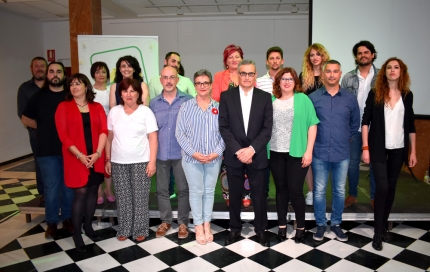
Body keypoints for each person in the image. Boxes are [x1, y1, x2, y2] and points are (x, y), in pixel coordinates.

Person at [361, 57, 417, 251]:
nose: (392, 70)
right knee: (382, 187)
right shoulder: (375, 93)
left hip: (399, 148)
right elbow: (365, 121)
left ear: (401, 71)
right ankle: (377, 233)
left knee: (391, 187)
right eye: (389, 67)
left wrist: (413, 152)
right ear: (384, 72)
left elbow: (410, 125)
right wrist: (365, 148)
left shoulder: (407, 95)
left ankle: (383, 225)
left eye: (396, 67)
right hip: (377, 147)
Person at [219, 60, 273, 247]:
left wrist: (251, 149)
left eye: (250, 74)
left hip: (256, 154)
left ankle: (261, 230)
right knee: (234, 195)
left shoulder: (265, 97)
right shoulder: (226, 96)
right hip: (234, 154)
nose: (247, 77)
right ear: (238, 75)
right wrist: (239, 150)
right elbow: (224, 127)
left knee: (259, 196)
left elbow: (267, 129)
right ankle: (234, 229)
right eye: (243, 73)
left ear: (255, 75)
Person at [55, 73, 107, 252]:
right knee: (81, 193)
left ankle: (88, 226)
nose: (74, 87)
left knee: (93, 190)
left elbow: (103, 130)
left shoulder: (97, 106)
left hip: (95, 156)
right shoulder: (64, 107)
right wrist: (80, 156)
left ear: (86, 86)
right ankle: (77, 234)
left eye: (78, 84)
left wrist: (98, 153)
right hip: (75, 157)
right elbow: (64, 136)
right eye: (71, 84)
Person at [21, 61, 74, 238]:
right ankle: (51, 222)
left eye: (59, 71)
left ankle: (67, 218)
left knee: (68, 186)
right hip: (46, 151)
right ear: (48, 75)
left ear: (64, 75)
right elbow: (26, 118)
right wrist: (42, 127)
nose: (55, 74)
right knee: (51, 188)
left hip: (69, 150)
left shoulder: (70, 96)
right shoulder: (38, 96)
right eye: (51, 71)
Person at [309, 60, 360, 242]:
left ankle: (336, 224)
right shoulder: (313, 98)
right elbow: (309, 124)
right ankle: (321, 224)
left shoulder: (350, 98)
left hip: (341, 152)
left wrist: (345, 136)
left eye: (335, 71)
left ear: (340, 74)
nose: (331, 75)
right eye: (328, 71)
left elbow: (355, 123)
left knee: (339, 190)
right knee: (319, 190)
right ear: (323, 74)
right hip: (320, 152)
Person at [176, 69, 225, 245]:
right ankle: (197, 226)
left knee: (209, 192)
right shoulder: (186, 107)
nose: (202, 86)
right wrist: (194, 153)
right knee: (196, 192)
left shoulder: (219, 108)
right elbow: (180, 133)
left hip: (213, 158)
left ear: (211, 85)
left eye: (205, 83)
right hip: (192, 159)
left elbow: (225, 134)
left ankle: (207, 224)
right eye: (198, 83)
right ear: (194, 86)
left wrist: (216, 153)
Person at [269, 67, 319, 243]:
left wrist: (309, 151)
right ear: (278, 82)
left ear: (295, 82)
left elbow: (312, 125)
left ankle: (301, 227)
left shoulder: (303, 99)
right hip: (275, 152)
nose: (287, 82)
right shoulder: (271, 100)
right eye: (283, 79)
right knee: (281, 190)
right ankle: (282, 226)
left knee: (296, 191)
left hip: (297, 153)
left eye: (290, 79)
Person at [105, 78, 158, 241]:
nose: (128, 94)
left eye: (132, 91)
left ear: (138, 94)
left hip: (141, 161)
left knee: (140, 198)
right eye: (125, 90)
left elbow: (153, 138)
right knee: (123, 197)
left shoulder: (146, 112)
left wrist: (152, 161)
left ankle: (140, 229)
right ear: (120, 93)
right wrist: (108, 159)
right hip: (118, 162)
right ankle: (124, 228)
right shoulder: (114, 112)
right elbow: (109, 137)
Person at [150, 66, 192, 240]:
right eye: (165, 77)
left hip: (182, 154)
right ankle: (165, 220)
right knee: (162, 190)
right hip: (160, 154)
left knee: (183, 189)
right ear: (161, 80)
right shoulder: (153, 103)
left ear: (177, 80)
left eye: (172, 77)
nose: (168, 81)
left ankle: (182, 222)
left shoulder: (188, 100)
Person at [341, 41, 379, 208]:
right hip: (354, 127)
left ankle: (374, 196)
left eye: (366, 52)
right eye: (359, 53)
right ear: (356, 57)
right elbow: (342, 103)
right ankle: (353, 195)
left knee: (375, 164)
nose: (363, 55)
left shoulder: (381, 77)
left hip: (376, 128)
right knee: (352, 163)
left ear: (372, 54)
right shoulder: (348, 77)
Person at [299, 43, 330, 206]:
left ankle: (320, 191)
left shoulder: (329, 75)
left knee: (322, 158)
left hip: (326, 122)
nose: (315, 57)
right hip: (308, 123)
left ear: (323, 56)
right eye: (312, 55)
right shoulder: (303, 76)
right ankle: (311, 191)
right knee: (308, 157)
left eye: (318, 54)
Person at [17, 56, 47, 202]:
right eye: (36, 66)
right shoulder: (25, 89)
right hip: (37, 135)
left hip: (57, 135)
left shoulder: (53, 86)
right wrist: (44, 127)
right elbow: (22, 114)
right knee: (40, 163)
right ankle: (43, 193)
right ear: (31, 68)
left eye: (42, 66)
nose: (39, 68)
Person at [256, 46, 284, 199]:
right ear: (267, 62)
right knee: (264, 165)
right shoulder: (259, 82)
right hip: (264, 130)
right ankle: (264, 196)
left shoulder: (288, 81)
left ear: (282, 61)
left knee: (280, 167)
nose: (275, 61)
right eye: (271, 58)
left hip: (283, 131)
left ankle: (284, 198)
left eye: (277, 58)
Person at [90, 61, 116, 205]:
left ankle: (109, 190)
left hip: (110, 130)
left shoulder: (110, 90)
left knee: (109, 159)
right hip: (95, 130)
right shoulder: (89, 91)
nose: (101, 75)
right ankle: (99, 191)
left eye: (104, 72)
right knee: (98, 160)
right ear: (93, 74)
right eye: (98, 72)